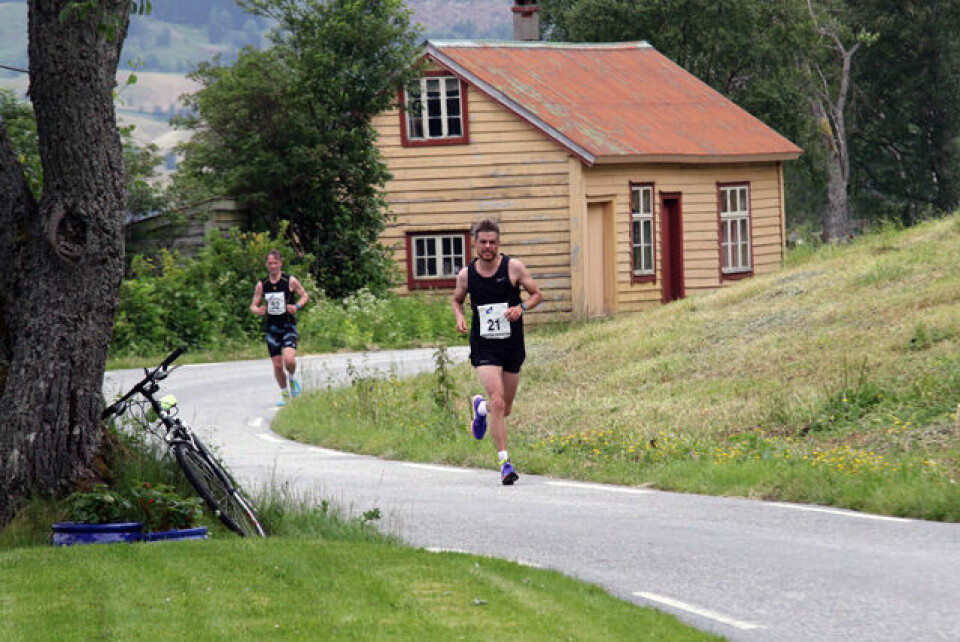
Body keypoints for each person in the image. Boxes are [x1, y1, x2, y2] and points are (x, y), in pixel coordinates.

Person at [451, 218, 543, 485]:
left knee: (505, 409)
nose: (488, 247)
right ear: (475, 244)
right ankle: (505, 463)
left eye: (492, 242)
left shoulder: (513, 268)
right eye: (483, 242)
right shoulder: (466, 275)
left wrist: (522, 308)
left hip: (512, 343)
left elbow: (537, 294)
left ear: (498, 243)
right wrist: (459, 317)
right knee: (498, 400)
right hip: (484, 344)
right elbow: (457, 300)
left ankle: (480, 410)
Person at [250, 250, 309, 406]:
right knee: (277, 363)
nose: (273, 266)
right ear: (266, 265)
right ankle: (284, 394)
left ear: (280, 263)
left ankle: (291, 379)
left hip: (288, 325)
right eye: (270, 263)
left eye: (275, 263)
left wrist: (296, 306)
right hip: (272, 328)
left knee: (289, 359)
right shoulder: (262, 285)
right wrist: (258, 310)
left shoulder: (290, 281)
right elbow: (253, 306)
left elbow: (305, 296)